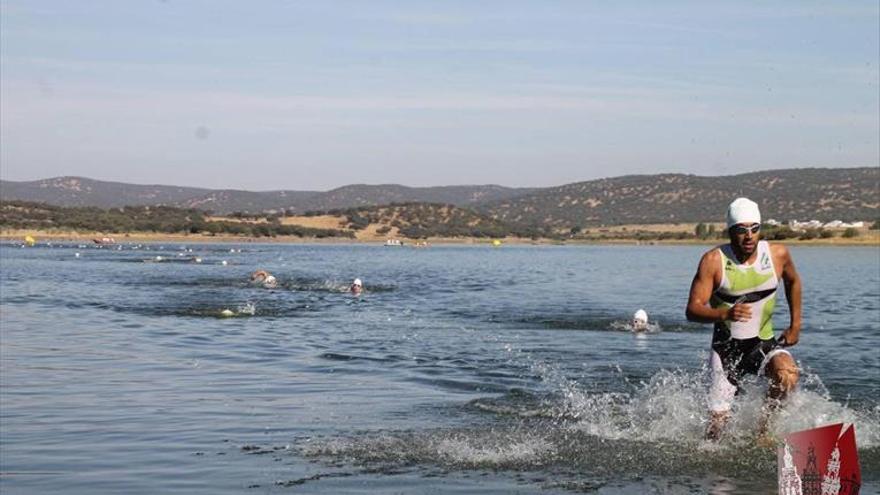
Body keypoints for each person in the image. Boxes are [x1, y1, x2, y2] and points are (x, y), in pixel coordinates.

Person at [685, 197, 802, 441]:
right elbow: (693, 310)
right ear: (730, 231)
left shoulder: (777, 254)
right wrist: (724, 314)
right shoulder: (713, 261)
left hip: (763, 344)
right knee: (716, 433)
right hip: (726, 351)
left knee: (788, 375)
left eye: (754, 229)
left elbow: (793, 281)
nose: (749, 236)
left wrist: (795, 325)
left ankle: (763, 431)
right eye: (741, 230)